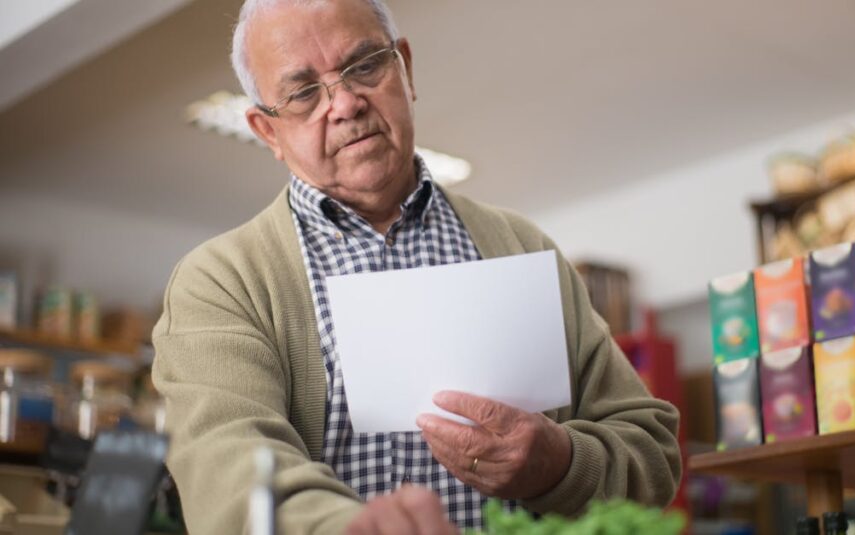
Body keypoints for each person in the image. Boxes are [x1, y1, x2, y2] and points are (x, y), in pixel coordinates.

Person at [151, 0, 682, 533]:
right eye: (304, 93)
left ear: (404, 68)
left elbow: (652, 453)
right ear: (268, 133)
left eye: (364, 66)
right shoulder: (221, 283)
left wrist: (559, 463)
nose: (345, 104)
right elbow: (229, 473)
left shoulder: (520, 246)